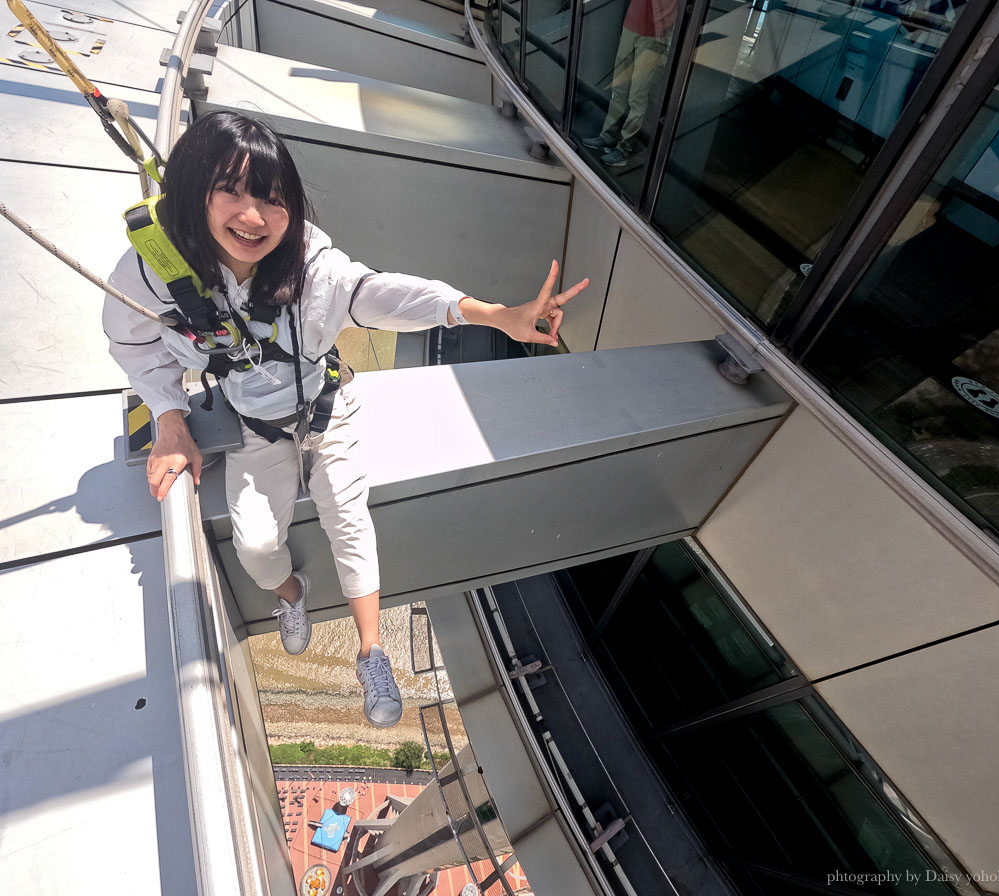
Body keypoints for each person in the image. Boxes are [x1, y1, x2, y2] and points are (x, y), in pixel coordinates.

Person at [104, 111, 588, 728]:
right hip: (255, 424)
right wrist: (170, 419)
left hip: (328, 410)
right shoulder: (150, 274)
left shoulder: (308, 262)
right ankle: (290, 595)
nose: (254, 219)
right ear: (194, 189)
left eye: (273, 200)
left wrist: (492, 314)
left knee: (349, 522)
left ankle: (371, 652)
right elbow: (132, 346)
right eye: (231, 191)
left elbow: (378, 292)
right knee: (255, 544)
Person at [582, 0, 677, 167]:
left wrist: (664, 32)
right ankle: (608, 137)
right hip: (631, 26)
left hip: (653, 36)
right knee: (619, 89)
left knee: (637, 96)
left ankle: (624, 149)